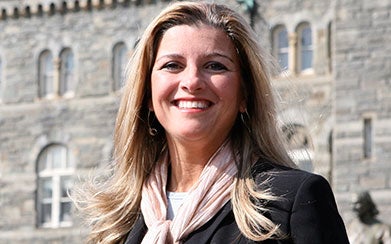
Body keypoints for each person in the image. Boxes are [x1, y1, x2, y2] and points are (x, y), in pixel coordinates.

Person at [73, 1, 349, 243]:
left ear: (245, 94)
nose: (192, 82)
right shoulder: (117, 220)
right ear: (146, 92)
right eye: (173, 65)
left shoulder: (292, 202)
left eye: (215, 66)